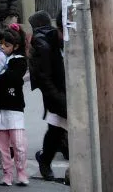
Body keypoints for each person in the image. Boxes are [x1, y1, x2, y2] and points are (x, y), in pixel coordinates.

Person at [28, 11, 67, 182]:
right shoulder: (44, 45)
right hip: (57, 92)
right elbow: (44, 77)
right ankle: (45, 161)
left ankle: (49, 157)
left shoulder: (68, 43)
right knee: (56, 127)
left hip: (66, 90)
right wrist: (59, 98)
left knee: (59, 128)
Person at [0, 24, 29, 187]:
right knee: (1, 147)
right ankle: (7, 173)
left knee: (19, 144)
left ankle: (21, 172)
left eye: (6, 45)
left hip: (14, 108)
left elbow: (12, 78)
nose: (2, 47)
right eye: (1, 44)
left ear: (16, 46)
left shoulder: (19, 61)